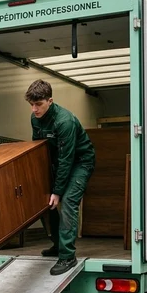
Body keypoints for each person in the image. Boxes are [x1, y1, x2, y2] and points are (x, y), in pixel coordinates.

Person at [27, 79, 96, 275]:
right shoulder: (35, 118)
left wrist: (57, 191)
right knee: (45, 201)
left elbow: (67, 158)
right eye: (31, 104)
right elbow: (38, 150)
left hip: (80, 162)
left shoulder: (64, 121)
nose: (34, 109)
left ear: (50, 100)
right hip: (60, 162)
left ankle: (67, 257)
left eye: (38, 104)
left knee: (66, 201)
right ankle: (58, 245)